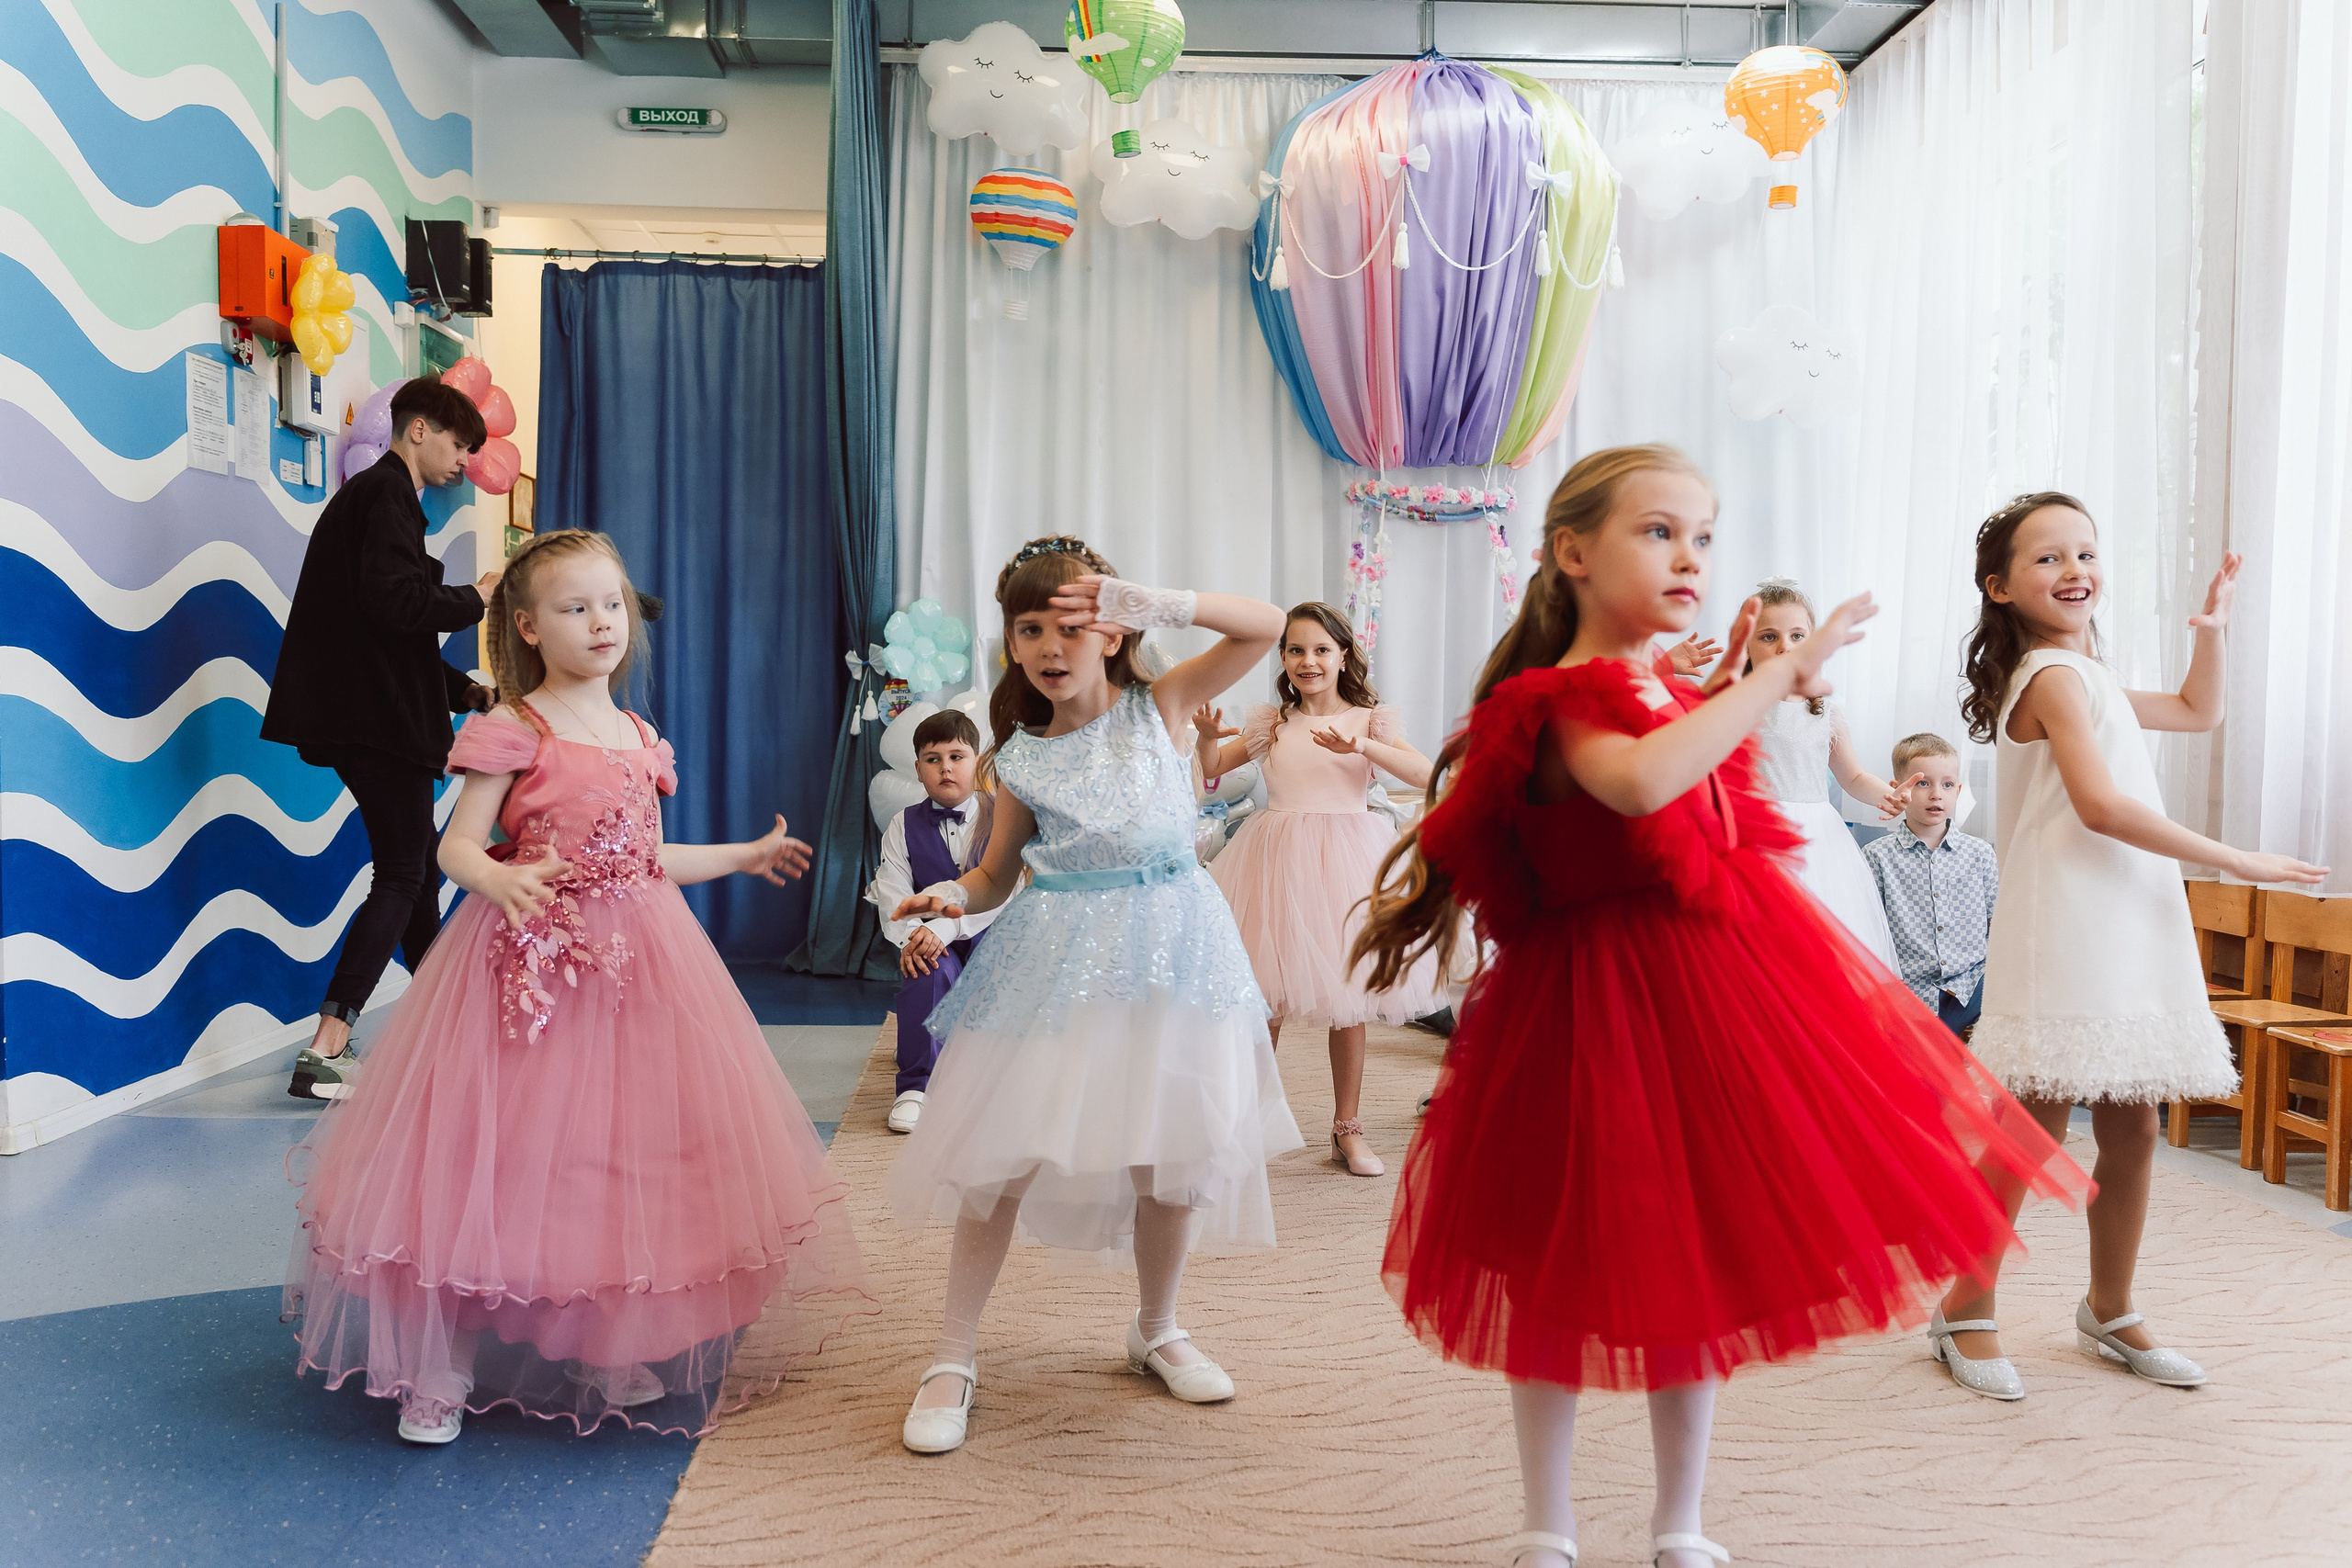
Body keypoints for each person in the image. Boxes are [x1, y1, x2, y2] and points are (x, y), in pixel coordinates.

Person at [1350, 446, 2087, 1568]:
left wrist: (1730, 688)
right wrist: (1771, 680)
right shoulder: (1562, 696)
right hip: (1580, 1001)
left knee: (1692, 1262)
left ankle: (1678, 1520)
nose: (1689, 556)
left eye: (1701, 536)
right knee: (1550, 1259)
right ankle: (1548, 1521)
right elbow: (1638, 783)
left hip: (1696, 991)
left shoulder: (1660, 687)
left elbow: (1712, 821)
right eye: (1658, 532)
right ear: (1572, 553)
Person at [283, 528, 870, 1444]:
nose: (601, 622)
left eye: (612, 604)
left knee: (616, 1153)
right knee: (499, 1155)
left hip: (636, 968)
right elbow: (455, 847)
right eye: (574, 607)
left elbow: (647, 859)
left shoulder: (640, 737)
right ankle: (441, 1364)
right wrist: (499, 877)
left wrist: (743, 855)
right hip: (533, 969)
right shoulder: (517, 728)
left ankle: (606, 1336)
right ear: (527, 626)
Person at [884, 536, 1302, 1456]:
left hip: (1177, 953)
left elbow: (1266, 625)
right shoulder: (1020, 758)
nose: (1047, 645)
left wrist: (1155, 599)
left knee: (1174, 1153)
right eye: (1028, 628)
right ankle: (952, 1353)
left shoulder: (1163, 705)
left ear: (1111, 632)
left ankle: (1157, 1325)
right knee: (997, 1158)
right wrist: (952, 895)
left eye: (1068, 625)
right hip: (1059, 957)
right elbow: (997, 874)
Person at [1930, 493, 2326, 1402]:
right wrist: (2235, 858)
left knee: (2134, 1123)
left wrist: (2210, 631)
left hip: (2124, 911)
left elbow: (2196, 709)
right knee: (2033, 1123)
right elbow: (2101, 806)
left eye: (2086, 552)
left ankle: (2108, 1306)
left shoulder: (2088, 672)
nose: (2075, 570)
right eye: (2047, 558)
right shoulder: (2049, 677)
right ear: (2000, 587)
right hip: (2066, 917)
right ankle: (1963, 1304)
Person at [262, 375, 502, 1100]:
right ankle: (326, 1047)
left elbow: (385, 628)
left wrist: (463, 690)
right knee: (402, 874)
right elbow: (398, 604)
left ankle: (450, 1030)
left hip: (367, 715)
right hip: (376, 725)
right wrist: (477, 598)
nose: (463, 460)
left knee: (417, 872)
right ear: (418, 429)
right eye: (458, 443)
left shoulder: (378, 499)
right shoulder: (385, 495)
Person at [1192, 603, 1442, 1178]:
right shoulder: (1272, 723)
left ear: (1343, 657)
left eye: (1321, 650)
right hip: (1274, 859)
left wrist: (1362, 748)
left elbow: (1428, 774)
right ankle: (1249, 1125)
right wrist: (1205, 741)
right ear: (1283, 658)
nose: (1309, 661)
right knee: (1264, 1000)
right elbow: (1212, 771)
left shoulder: (1370, 721)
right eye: (1296, 650)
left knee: (1346, 1001)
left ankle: (1346, 1128)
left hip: (1347, 862)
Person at [1739, 578, 1908, 968]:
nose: (1785, 647)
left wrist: (1889, 795)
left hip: (1818, 841)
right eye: (1769, 636)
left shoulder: (1826, 713)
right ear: (1746, 645)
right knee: (1764, 948)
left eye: (1797, 636)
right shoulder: (1735, 705)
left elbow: (1854, 778)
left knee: (1822, 950)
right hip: (1756, 834)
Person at [868, 707, 996, 1134]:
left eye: (957, 757)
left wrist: (944, 926)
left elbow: (1009, 892)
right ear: (918, 769)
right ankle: (916, 1086)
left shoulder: (1005, 818)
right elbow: (894, 897)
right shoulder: (902, 826)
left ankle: (995, 1074)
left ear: (977, 761)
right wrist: (914, 939)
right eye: (933, 759)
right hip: (930, 939)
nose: (946, 768)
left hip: (996, 935)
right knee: (926, 966)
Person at [1863, 733, 1998, 1038]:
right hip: (1908, 989)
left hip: (1972, 985)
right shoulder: (1877, 856)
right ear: (1898, 789)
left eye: (1947, 785)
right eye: (1923, 783)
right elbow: (1872, 934)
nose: (1937, 795)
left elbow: (1997, 923)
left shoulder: (1979, 854)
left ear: (1958, 791)